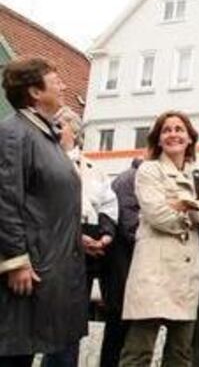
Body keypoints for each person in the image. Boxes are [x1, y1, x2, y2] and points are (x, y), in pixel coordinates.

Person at [0, 57, 87, 366]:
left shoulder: (46, 137)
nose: (63, 86)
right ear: (35, 92)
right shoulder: (14, 134)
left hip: (56, 268)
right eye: (55, 80)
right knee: (16, 353)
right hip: (31, 272)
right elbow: (6, 198)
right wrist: (15, 261)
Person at [119, 111, 199, 367]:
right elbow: (157, 214)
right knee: (138, 353)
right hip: (153, 271)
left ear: (189, 138)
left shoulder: (197, 176)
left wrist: (185, 205)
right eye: (167, 130)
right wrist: (197, 211)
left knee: (180, 354)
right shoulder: (149, 170)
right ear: (158, 138)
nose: (173, 134)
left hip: (186, 276)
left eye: (179, 129)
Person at [42, 106, 119, 367]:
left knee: (72, 322)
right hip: (53, 247)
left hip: (87, 249)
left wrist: (106, 235)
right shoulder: (43, 161)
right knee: (47, 320)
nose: (53, 130)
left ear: (75, 132)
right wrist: (76, 237)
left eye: (60, 126)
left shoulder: (94, 169)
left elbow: (109, 205)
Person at [101, 157, 143, 367]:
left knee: (118, 330)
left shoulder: (129, 177)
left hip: (124, 268)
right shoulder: (132, 180)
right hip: (123, 270)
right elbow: (131, 228)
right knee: (117, 330)